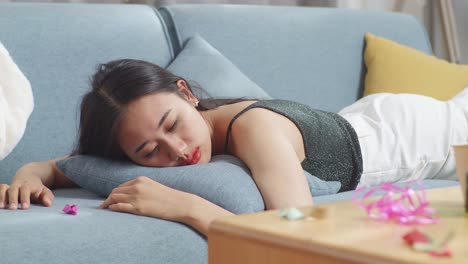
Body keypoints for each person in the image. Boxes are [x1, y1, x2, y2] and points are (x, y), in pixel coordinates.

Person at [1, 59, 466, 236]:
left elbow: (300, 235)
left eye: (173, 124)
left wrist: (186, 206)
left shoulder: (254, 127)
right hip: (368, 117)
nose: (177, 151)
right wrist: (29, 175)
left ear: (187, 93)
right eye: (148, 152)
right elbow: (62, 166)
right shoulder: (209, 130)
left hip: (423, 135)